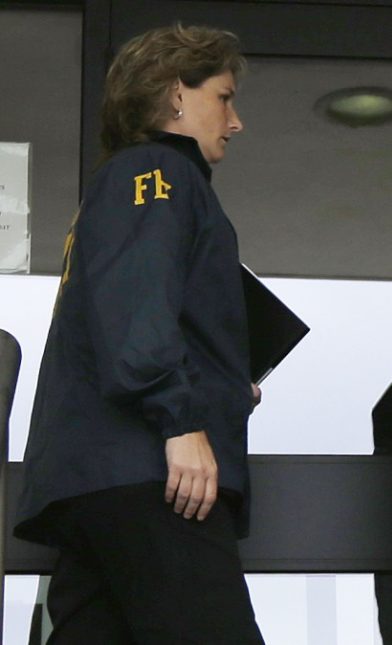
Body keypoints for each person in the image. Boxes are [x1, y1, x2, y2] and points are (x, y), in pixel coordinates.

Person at [15, 24, 264, 644]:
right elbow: (133, 307)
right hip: (150, 477)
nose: (234, 122)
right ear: (177, 94)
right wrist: (180, 420)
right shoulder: (154, 170)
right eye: (224, 97)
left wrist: (226, 383)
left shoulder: (127, 182)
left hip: (102, 482)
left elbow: (128, 307)